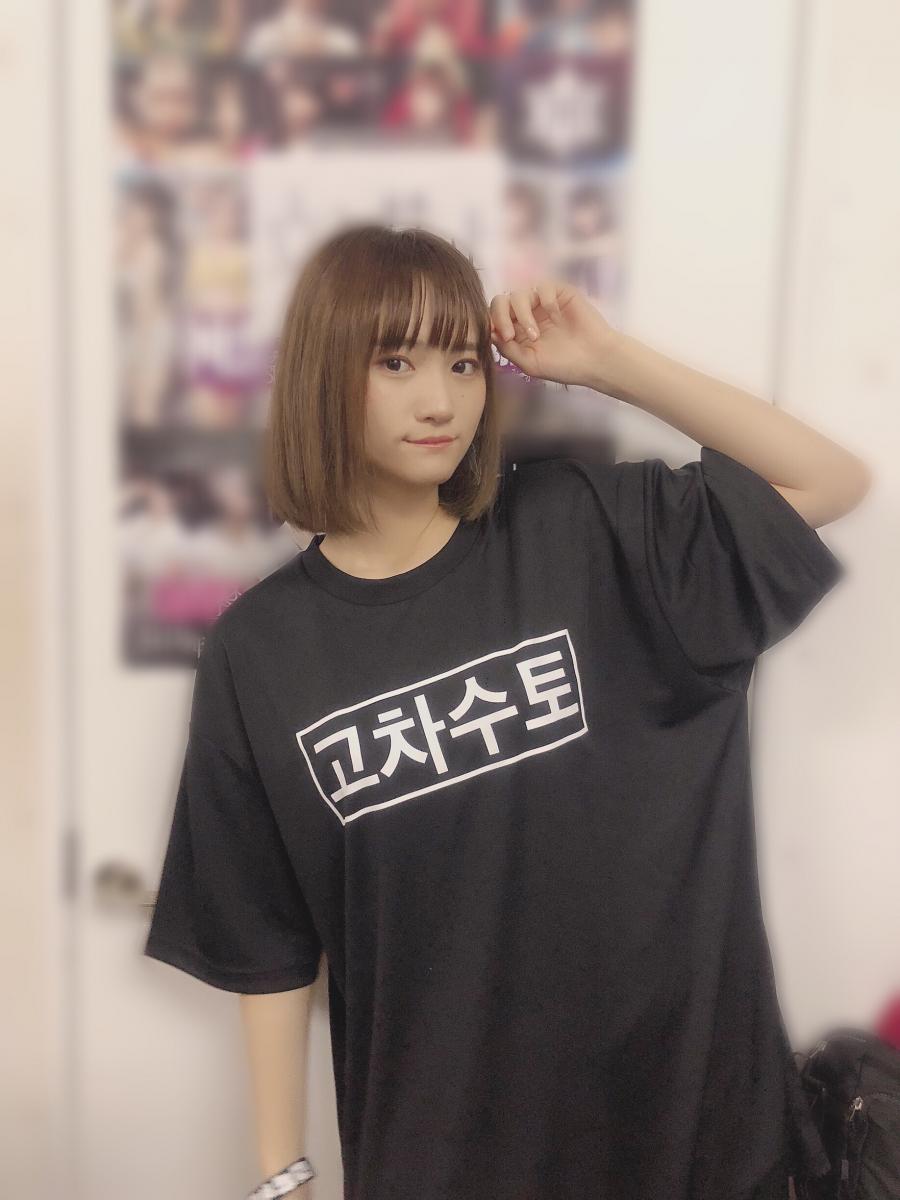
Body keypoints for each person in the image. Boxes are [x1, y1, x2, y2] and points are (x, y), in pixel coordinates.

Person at [143, 223, 871, 1200]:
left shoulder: (587, 530)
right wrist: (284, 1172)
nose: (439, 400)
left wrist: (608, 362)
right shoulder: (262, 650)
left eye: (461, 362)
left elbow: (828, 480)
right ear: (323, 373)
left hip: (692, 1143)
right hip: (447, 1157)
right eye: (394, 362)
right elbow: (265, 940)